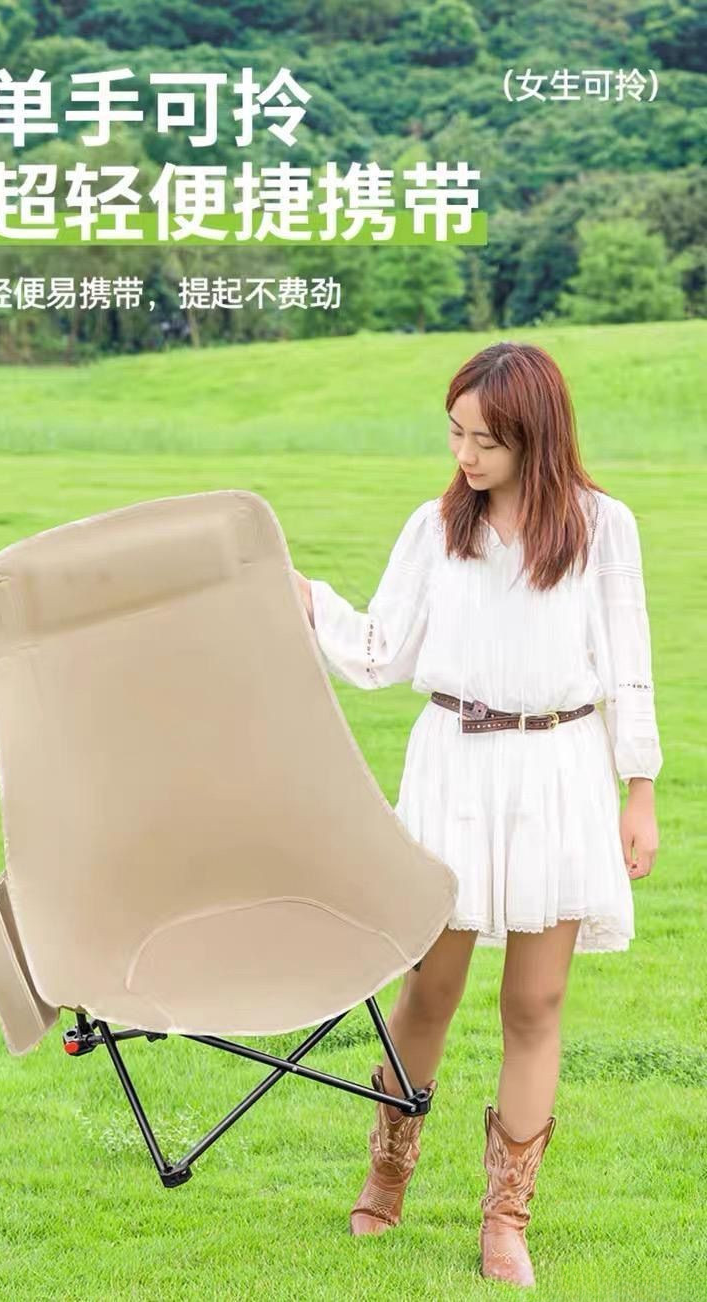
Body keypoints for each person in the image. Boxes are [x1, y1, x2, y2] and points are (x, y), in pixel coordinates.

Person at [291, 340, 662, 1288]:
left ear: (537, 436)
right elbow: (380, 651)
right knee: (429, 990)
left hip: (560, 771)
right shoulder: (437, 528)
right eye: (455, 433)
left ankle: (506, 1220)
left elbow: (629, 666)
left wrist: (640, 791)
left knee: (534, 1002)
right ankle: (386, 1178)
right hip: (453, 767)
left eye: (486, 441)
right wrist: (304, 596)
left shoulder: (602, 527)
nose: (465, 455)